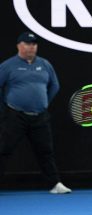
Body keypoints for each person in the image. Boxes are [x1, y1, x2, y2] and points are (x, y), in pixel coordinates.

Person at [0, 32, 71, 194]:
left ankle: (55, 184)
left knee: (46, 151)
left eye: (34, 44)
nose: (31, 47)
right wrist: (4, 107)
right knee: (4, 149)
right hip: (15, 116)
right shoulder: (8, 65)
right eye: (27, 44)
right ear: (19, 46)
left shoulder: (45, 64)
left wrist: (42, 103)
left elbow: (55, 86)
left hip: (40, 116)